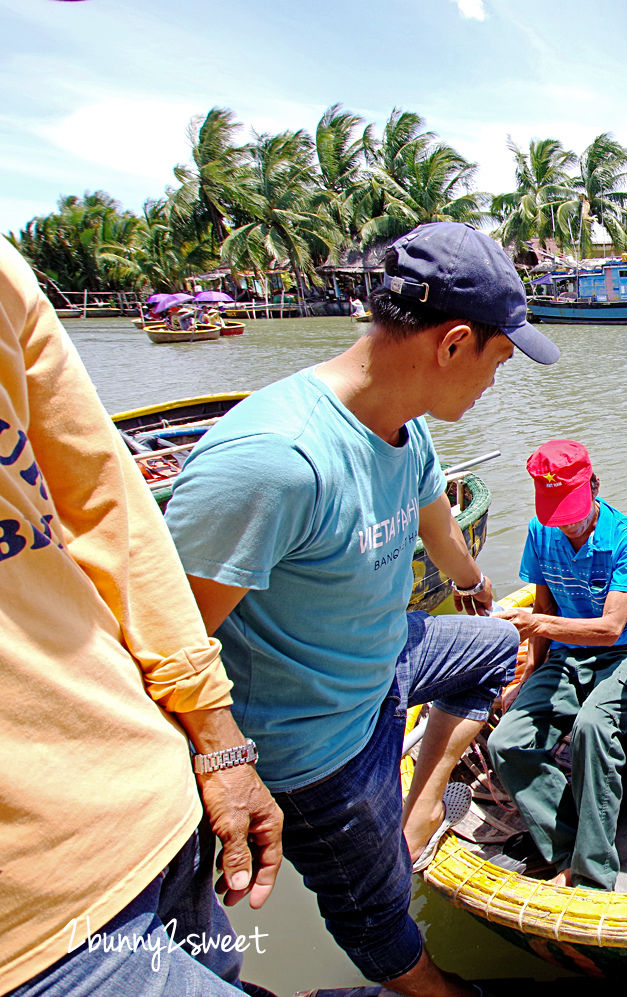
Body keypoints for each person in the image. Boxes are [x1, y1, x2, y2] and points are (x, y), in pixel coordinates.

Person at [165, 221, 559, 997]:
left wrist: (477, 590)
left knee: (492, 647)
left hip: (385, 654)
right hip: (317, 742)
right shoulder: (276, 461)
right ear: (452, 344)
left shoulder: (404, 431)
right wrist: (223, 761)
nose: (494, 383)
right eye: (499, 359)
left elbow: (440, 531)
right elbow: (161, 636)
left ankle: (428, 791)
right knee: (380, 915)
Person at [1, 239, 281, 995]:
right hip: (33, 922)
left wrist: (219, 745)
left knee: (226, 967)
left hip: (154, 804)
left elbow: (110, 510)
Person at [487, 440, 627, 890]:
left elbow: (609, 628)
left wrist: (539, 623)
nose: (564, 525)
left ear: (596, 487)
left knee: (592, 728)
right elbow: (543, 601)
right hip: (565, 653)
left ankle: (591, 874)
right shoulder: (540, 531)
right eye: (555, 515)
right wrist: (529, 673)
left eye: (572, 512)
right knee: (507, 743)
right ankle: (568, 846)